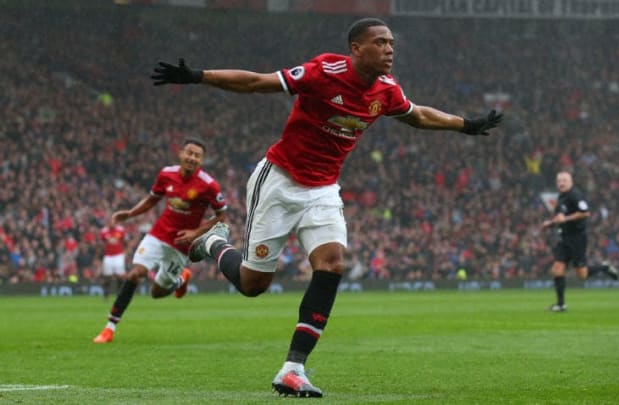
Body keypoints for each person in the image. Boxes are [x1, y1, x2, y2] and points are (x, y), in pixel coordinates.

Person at [151, 17, 502, 397]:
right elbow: (257, 82)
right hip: (279, 183)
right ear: (356, 49)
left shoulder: (386, 90)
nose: (389, 50)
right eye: (381, 43)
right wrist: (198, 76)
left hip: (322, 191)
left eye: (392, 44)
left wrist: (465, 125)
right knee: (254, 284)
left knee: (333, 264)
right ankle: (215, 243)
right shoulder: (324, 72)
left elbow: (417, 115)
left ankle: (293, 368)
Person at [93, 138, 227, 343]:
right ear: (181, 154)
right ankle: (109, 328)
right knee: (134, 275)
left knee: (157, 292)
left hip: (181, 245)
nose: (192, 158)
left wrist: (195, 233)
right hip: (158, 234)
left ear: (202, 160)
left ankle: (181, 278)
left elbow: (221, 217)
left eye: (197, 155)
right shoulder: (166, 174)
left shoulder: (209, 185)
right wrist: (129, 214)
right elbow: (151, 200)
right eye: (189, 153)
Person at [541, 171, 619, 312]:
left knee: (581, 275)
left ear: (571, 182)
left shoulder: (575, 195)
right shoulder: (561, 197)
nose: (561, 183)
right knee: (557, 269)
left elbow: (585, 213)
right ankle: (560, 304)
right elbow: (561, 218)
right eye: (559, 180)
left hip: (577, 239)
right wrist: (550, 223)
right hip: (564, 238)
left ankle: (604, 268)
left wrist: (566, 219)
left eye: (564, 180)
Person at [98, 222, 128, 300]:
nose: (112, 223)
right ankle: (106, 294)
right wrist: (98, 257)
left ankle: (120, 294)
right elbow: (101, 242)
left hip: (118, 255)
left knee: (120, 276)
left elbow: (125, 242)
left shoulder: (121, 230)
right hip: (108, 256)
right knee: (107, 277)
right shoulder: (104, 231)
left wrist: (126, 252)